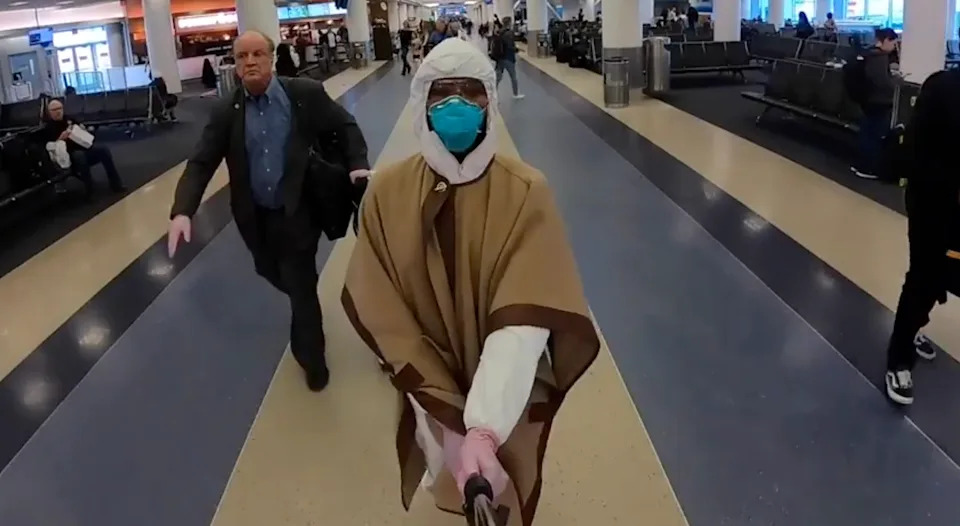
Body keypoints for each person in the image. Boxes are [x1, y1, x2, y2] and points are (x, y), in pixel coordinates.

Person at [341, 38, 599, 525]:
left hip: (503, 387)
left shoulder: (525, 191)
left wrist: (482, 424)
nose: (456, 105)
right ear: (421, 102)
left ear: (490, 101)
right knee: (446, 469)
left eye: (470, 92)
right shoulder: (388, 193)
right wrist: (440, 405)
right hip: (428, 382)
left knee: (500, 475)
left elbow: (525, 316)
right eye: (442, 93)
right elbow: (381, 304)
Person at [167, 30, 371, 392]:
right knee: (271, 273)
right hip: (255, 217)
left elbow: (345, 125)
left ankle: (313, 359)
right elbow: (201, 162)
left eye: (257, 54)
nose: (250, 62)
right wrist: (182, 210)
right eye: (242, 56)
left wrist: (356, 163)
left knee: (301, 285)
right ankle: (300, 302)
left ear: (272, 57)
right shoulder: (227, 111)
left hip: (298, 210)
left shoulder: (303, 96)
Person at [883, 69, 960, 405]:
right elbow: (919, 151)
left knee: (942, 278)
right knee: (924, 278)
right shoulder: (944, 87)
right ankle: (898, 358)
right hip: (934, 204)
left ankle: (913, 328)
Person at [37, 98, 125, 195]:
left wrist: (83, 130)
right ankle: (89, 190)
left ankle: (116, 184)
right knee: (80, 156)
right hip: (68, 155)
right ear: (50, 112)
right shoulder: (49, 127)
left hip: (83, 147)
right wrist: (60, 139)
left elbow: (82, 131)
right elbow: (50, 147)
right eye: (55, 110)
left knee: (103, 150)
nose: (58, 111)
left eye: (60, 108)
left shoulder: (69, 120)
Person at [850, 28, 898, 180]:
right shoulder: (880, 57)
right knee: (874, 134)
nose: (894, 48)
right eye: (893, 43)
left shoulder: (868, 53)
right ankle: (868, 167)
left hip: (867, 99)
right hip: (879, 100)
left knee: (867, 132)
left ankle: (861, 164)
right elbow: (882, 82)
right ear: (886, 40)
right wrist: (898, 81)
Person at [490, 17, 524, 100]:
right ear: (509, 22)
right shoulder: (509, 33)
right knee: (513, 76)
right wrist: (517, 49)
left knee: (498, 77)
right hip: (508, 57)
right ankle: (515, 94)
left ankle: (493, 94)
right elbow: (510, 46)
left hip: (500, 57)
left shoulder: (499, 32)